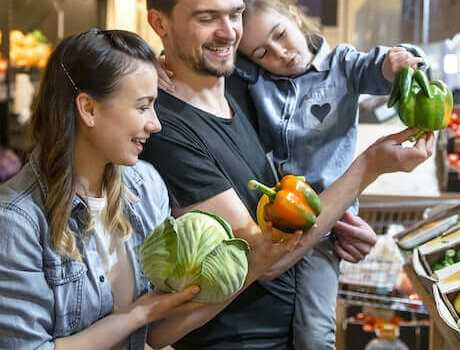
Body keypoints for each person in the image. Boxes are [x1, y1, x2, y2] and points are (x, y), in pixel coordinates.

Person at [140, 0, 434, 349]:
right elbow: (266, 259)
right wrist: (368, 168)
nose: (228, 33)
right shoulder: (164, 127)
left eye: (235, 14)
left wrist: (333, 225)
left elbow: (286, 212)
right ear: (159, 23)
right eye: (207, 18)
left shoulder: (242, 87)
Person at [0, 29, 301, 350]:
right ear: (88, 109)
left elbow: (156, 333)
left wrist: (255, 263)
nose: (155, 124)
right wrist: (136, 316)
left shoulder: (145, 186)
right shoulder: (17, 221)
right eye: (143, 107)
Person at [229, 0, 425, 350]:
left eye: (280, 35)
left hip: (324, 224)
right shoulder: (256, 79)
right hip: (269, 221)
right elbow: (207, 63)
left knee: (314, 335)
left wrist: (398, 61)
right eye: (262, 52)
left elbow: (380, 67)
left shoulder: (343, 65)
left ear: (293, 16)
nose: (280, 53)